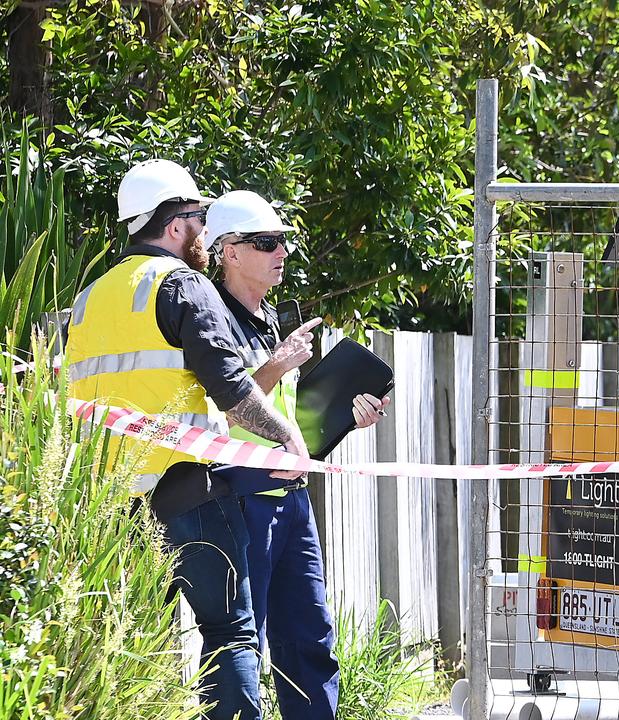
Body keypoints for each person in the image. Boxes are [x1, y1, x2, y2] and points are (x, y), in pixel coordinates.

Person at [64, 160, 311, 720]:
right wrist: (286, 436)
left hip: (110, 503)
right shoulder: (182, 284)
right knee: (229, 632)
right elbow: (232, 388)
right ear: (176, 226)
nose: (205, 230)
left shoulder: (89, 298)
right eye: (200, 218)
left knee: (128, 640)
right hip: (188, 493)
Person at [205, 190, 389, 720]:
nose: (280, 251)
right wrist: (278, 367)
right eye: (265, 242)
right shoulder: (210, 317)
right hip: (241, 498)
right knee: (244, 641)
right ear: (228, 252)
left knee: (311, 638)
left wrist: (343, 418)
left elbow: (292, 422)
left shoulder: (270, 318)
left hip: (292, 496)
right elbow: (228, 404)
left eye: (282, 241)